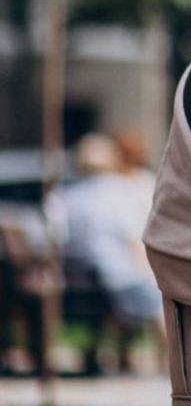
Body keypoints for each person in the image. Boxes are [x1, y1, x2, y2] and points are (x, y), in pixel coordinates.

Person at [49, 132, 163, 370]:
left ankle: (100, 356)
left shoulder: (63, 195)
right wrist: (151, 275)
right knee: (158, 301)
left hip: (74, 280)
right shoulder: (118, 194)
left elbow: (54, 238)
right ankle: (171, 366)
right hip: (115, 278)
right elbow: (134, 240)